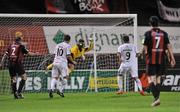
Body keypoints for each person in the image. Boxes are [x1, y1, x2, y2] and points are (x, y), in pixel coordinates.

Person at [143, 16, 176, 107]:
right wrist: (172, 58)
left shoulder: (148, 33)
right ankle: (156, 100)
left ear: (150, 23)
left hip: (151, 60)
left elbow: (145, 49)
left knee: (150, 79)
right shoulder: (164, 33)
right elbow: (169, 46)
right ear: (158, 23)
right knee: (158, 80)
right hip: (161, 60)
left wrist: (143, 54)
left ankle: (157, 99)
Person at [0, 31, 38, 99]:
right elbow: (29, 53)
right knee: (24, 77)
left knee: (13, 79)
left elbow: (5, 55)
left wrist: (1, 63)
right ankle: (19, 92)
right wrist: (36, 54)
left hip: (10, 64)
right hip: (17, 64)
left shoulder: (10, 46)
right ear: (20, 40)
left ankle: (15, 94)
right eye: (21, 38)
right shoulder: (21, 46)